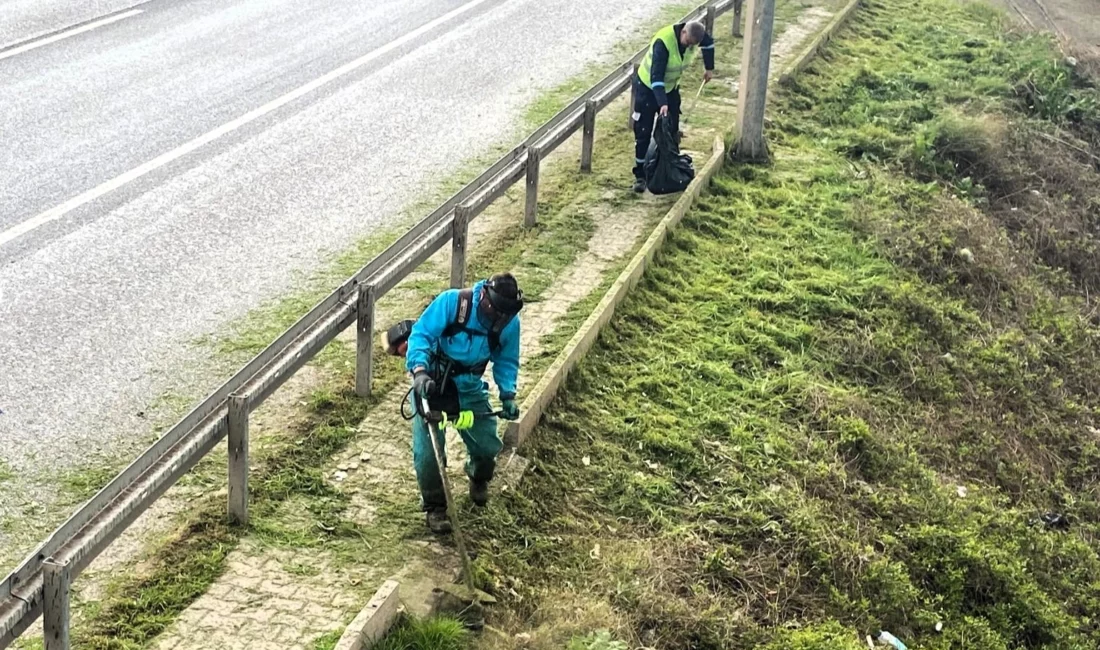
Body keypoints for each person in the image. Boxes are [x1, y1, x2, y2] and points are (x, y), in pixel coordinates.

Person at [405, 273, 524, 534]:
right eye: (496, 314)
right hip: (433, 379)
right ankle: (435, 506)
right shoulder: (453, 303)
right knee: (428, 454)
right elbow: (421, 334)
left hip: (469, 385)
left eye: (505, 316)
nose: (499, 320)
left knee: (486, 443)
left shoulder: (509, 323)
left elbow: (506, 359)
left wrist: (508, 395)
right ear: (485, 298)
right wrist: (420, 370)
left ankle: (478, 475)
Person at [632, 20, 716, 193]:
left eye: (694, 45)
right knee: (643, 131)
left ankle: (669, 165)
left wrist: (709, 68)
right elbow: (656, 76)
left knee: (671, 129)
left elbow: (709, 44)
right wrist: (662, 104)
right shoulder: (663, 43)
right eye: (688, 43)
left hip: (671, 88)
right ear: (683, 32)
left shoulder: (696, 33)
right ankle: (640, 175)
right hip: (648, 87)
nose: (690, 47)